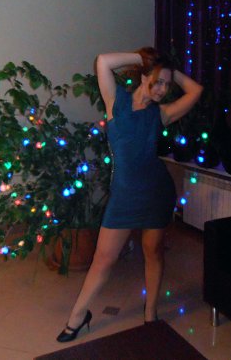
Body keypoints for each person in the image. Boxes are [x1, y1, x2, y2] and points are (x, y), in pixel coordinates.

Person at [56, 47, 203, 342]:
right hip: (124, 196)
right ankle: (78, 316)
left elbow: (196, 90)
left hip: (156, 191)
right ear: (144, 76)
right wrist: (146, 59)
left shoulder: (161, 113)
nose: (162, 89)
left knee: (153, 252)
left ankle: (151, 312)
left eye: (167, 85)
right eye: (158, 81)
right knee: (103, 259)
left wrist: (168, 69)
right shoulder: (116, 101)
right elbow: (103, 61)